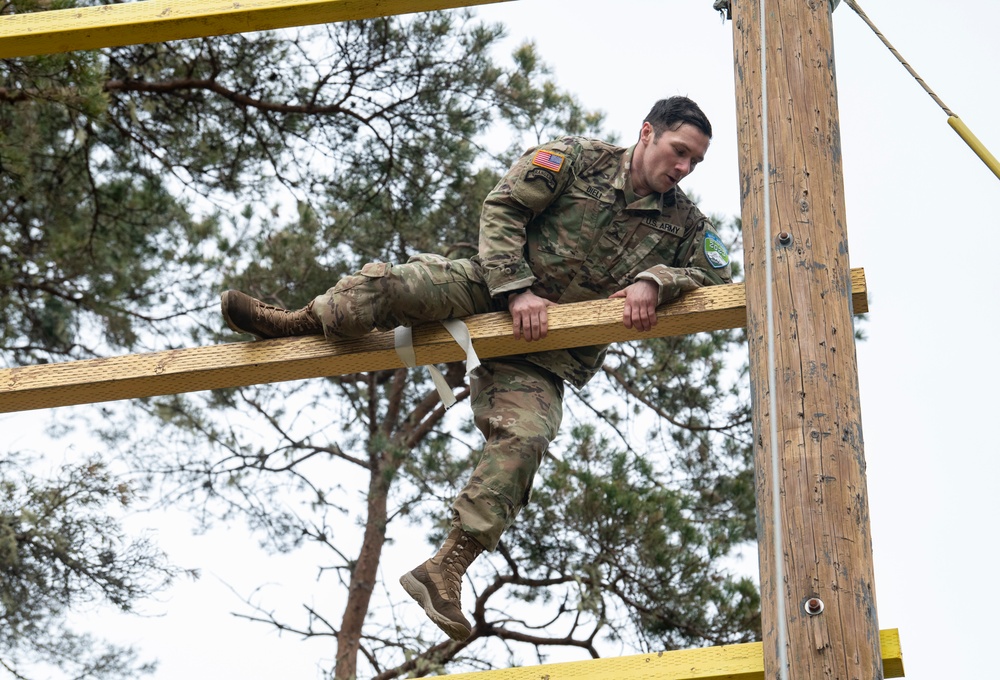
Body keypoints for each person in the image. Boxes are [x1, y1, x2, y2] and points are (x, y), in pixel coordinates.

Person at [220, 96, 733, 641]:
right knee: (388, 289)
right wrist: (517, 289)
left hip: (544, 357)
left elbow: (718, 279)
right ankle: (295, 321)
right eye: (678, 152)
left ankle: (445, 568)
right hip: (487, 288)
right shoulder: (578, 159)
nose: (682, 169)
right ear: (647, 132)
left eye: (694, 163)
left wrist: (659, 280)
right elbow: (505, 207)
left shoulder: (683, 225)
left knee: (528, 437)